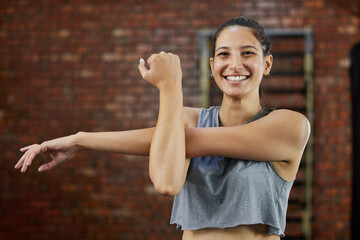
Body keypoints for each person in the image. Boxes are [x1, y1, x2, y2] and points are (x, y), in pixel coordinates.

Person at [15, 16, 310, 240]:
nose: (234, 64)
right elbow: (166, 180)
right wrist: (78, 140)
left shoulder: (289, 126)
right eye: (223, 54)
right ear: (211, 64)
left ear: (267, 64)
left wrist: (170, 87)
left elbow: (172, 143)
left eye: (247, 53)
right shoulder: (182, 120)